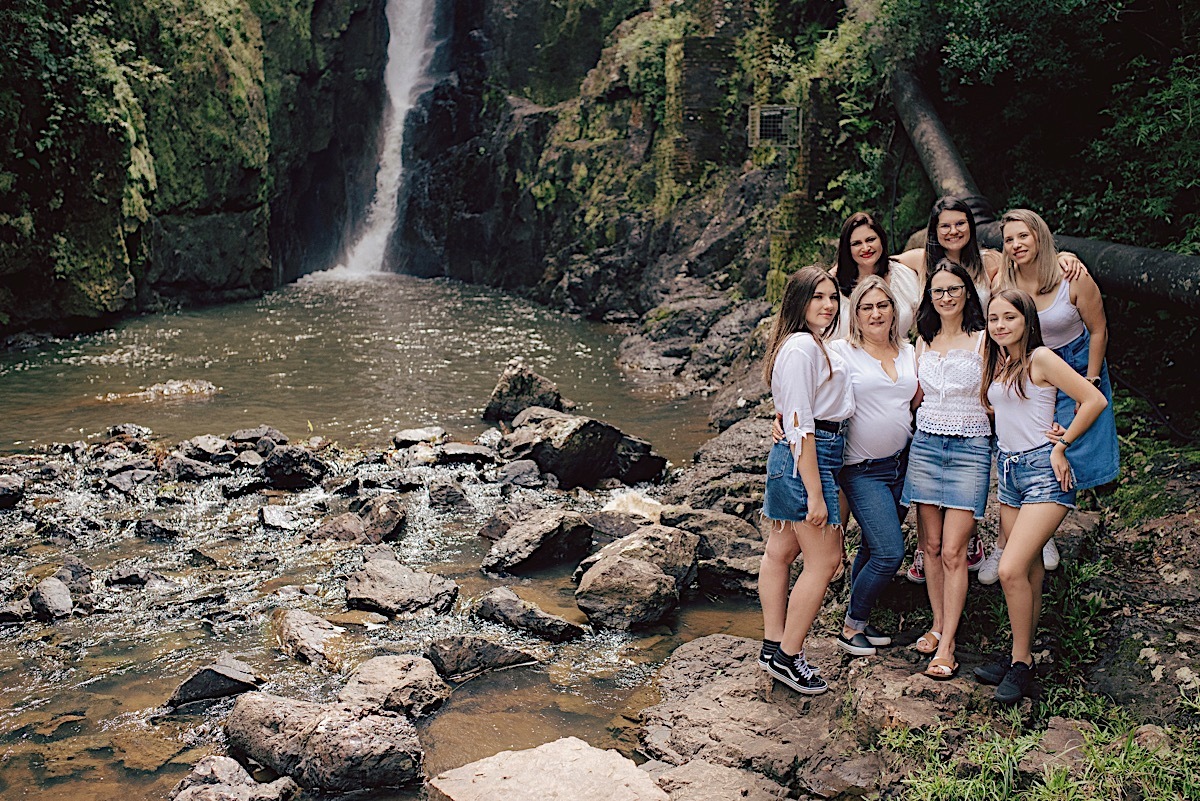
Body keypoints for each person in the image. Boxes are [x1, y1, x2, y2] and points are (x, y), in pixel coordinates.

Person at [894, 197, 1087, 582]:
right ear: (934, 230)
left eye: (960, 223)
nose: (953, 232)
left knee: (1009, 441)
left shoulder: (992, 261)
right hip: (940, 368)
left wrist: (1064, 255)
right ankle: (940, 547)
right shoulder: (921, 261)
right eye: (944, 225)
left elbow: (1031, 258)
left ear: (971, 225)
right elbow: (872, 261)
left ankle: (1030, 530)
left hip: (987, 355)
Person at [975, 288, 1107, 703]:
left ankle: (1021, 664)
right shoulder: (998, 361)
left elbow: (1094, 398)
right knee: (1028, 569)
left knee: (1010, 568)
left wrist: (1061, 442)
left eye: (1009, 317)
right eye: (994, 318)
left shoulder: (1041, 359)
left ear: (1027, 320)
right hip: (1010, 472)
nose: (1001, 325)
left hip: (1043, 474)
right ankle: (1020, 653)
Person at [977, 209, 1120, 582]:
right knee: (1033, 442)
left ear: (1039, 236)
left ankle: (1043, 532)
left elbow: (1099, 329)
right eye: (1009, 239)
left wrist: (1088, 380)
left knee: (1066, 445)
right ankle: (1022, 539)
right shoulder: (1003, 279)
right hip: (1027, 366)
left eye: (1023, 236)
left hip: (1075, 363)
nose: (1016, 244)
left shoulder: (1071, 274)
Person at [758, 266, 854, 695]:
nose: (828, 305)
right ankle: (788, 657)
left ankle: (772, 642)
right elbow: (801, 426)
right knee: (824, 561)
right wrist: (817, 492)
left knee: (780, 551)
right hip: (808, 459)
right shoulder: (801, 347)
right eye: (817, 297)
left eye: (832, 297)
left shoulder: (809, 343)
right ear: (798, 302)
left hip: (795, 457)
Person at [900, 260, 992, 679]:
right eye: (938, 291)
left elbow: (1006, 388)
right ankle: (937, 625)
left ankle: (949, 645)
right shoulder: (922, 340)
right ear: (929, 298)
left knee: (955, 551)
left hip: (971, 448)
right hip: (926, 446)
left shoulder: (985, 339)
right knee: (931, 548)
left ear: (967, 292)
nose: (946, 297)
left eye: (953, 289)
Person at [827, 276, 918, 657]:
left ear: (894, 310)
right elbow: (801, 377)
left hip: (903, 465)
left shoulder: (911, 351)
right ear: (856, 315)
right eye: (867, 307)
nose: (876, 313)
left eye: (883, 305)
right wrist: (784, 413)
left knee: (871, 545)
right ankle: (849, 629)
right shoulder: (841, 352)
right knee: (889, 552)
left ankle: (859, 618)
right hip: (862, 469)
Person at [832, 212, 922, 341]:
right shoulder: (833, 287)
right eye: (857, 243)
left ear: (881, 239)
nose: (865, 248)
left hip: (898, 356)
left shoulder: (902, 275)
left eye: (870, 240)